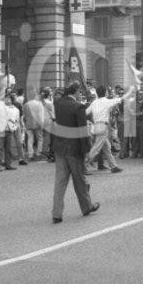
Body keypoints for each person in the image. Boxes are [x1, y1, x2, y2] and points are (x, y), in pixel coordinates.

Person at [51, 81, 98, 223]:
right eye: (80, 92)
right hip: (74, 149)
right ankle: (86, 206)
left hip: (60, 147)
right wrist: (87, 151)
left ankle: (56, 213)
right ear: (76, 92)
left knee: (60, 182)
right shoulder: (78, 107)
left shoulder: (58, 103)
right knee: (80, 180)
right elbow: (82, 132)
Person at [85, 84, 129, 173]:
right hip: (103, 125)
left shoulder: (94, 102)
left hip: (95, 125)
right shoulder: (107, 101)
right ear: (105, 92)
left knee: (106, 147)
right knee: (97, 148)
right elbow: (121, 99)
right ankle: (83, 164)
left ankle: (113, 166)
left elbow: (86, 113)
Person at [0, 88, 19, 171]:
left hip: (9, 131)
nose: (6, 99)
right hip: (0, 130)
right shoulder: (0, 106)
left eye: (8, 98)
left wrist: (14, 127)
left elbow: (16, 120)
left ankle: (8, 164)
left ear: (12, 100)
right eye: (6, 98)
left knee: (8, 149)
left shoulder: (16, 110)